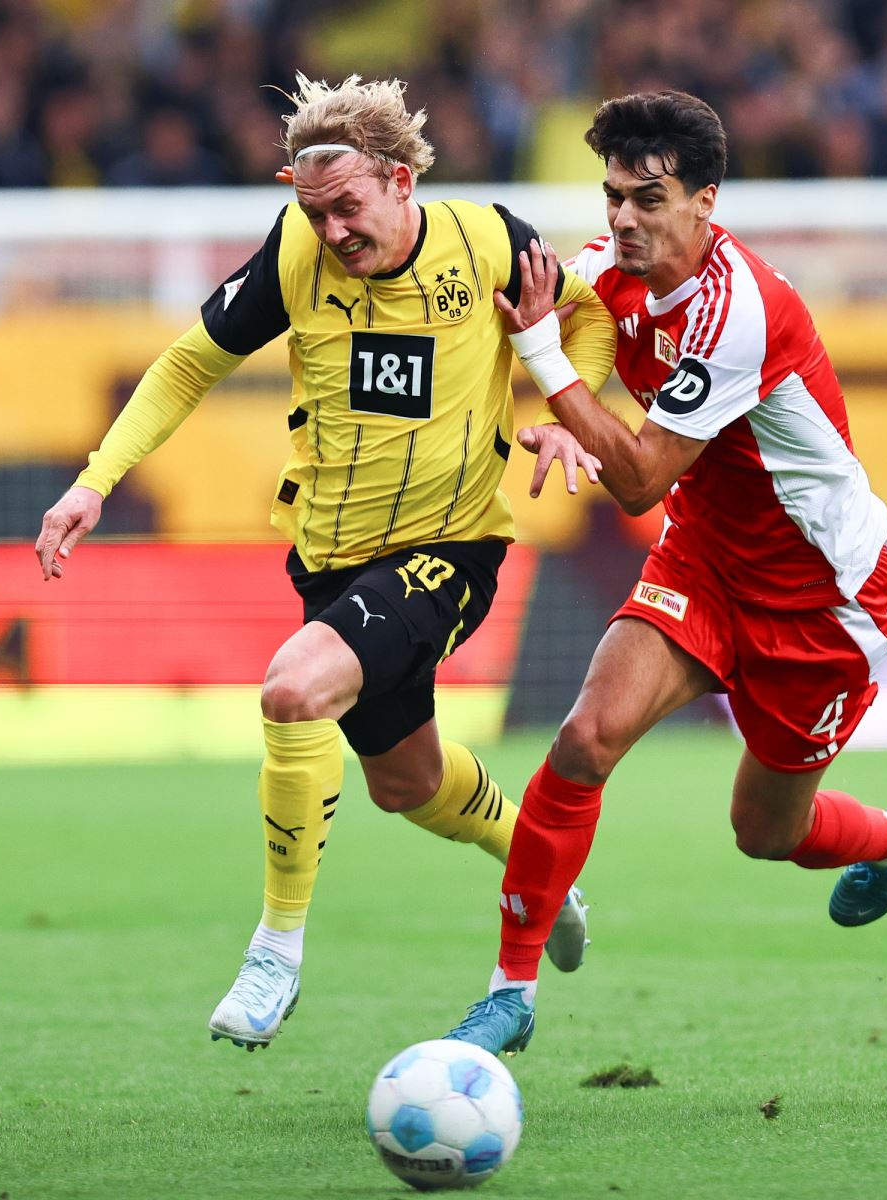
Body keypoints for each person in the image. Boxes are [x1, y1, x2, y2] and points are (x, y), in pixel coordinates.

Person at [33, 74, 616, 1053]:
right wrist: (97, 479)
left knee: (295, 690)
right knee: (410, 784)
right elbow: (189, 362)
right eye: (315, 211)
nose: (334, 231)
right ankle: (539, 865)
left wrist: (569, 408)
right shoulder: (296, 251)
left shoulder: (489, 243)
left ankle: (276, 949)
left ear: (399, 181)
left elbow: (588, 316)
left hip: (449, 549)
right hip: (330, 559)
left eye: (349, 207)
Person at [437, 91, 887, 1056]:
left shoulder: (736, 310)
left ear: (707, 202)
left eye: (651, 199)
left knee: (764, 831)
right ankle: (511, 988)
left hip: (822, 602)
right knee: (586, 737)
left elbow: (634, 479)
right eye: (614, 195)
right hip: (706, 560)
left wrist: (553, 368)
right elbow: (552, 308)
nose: (624, 218)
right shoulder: (604, 266)